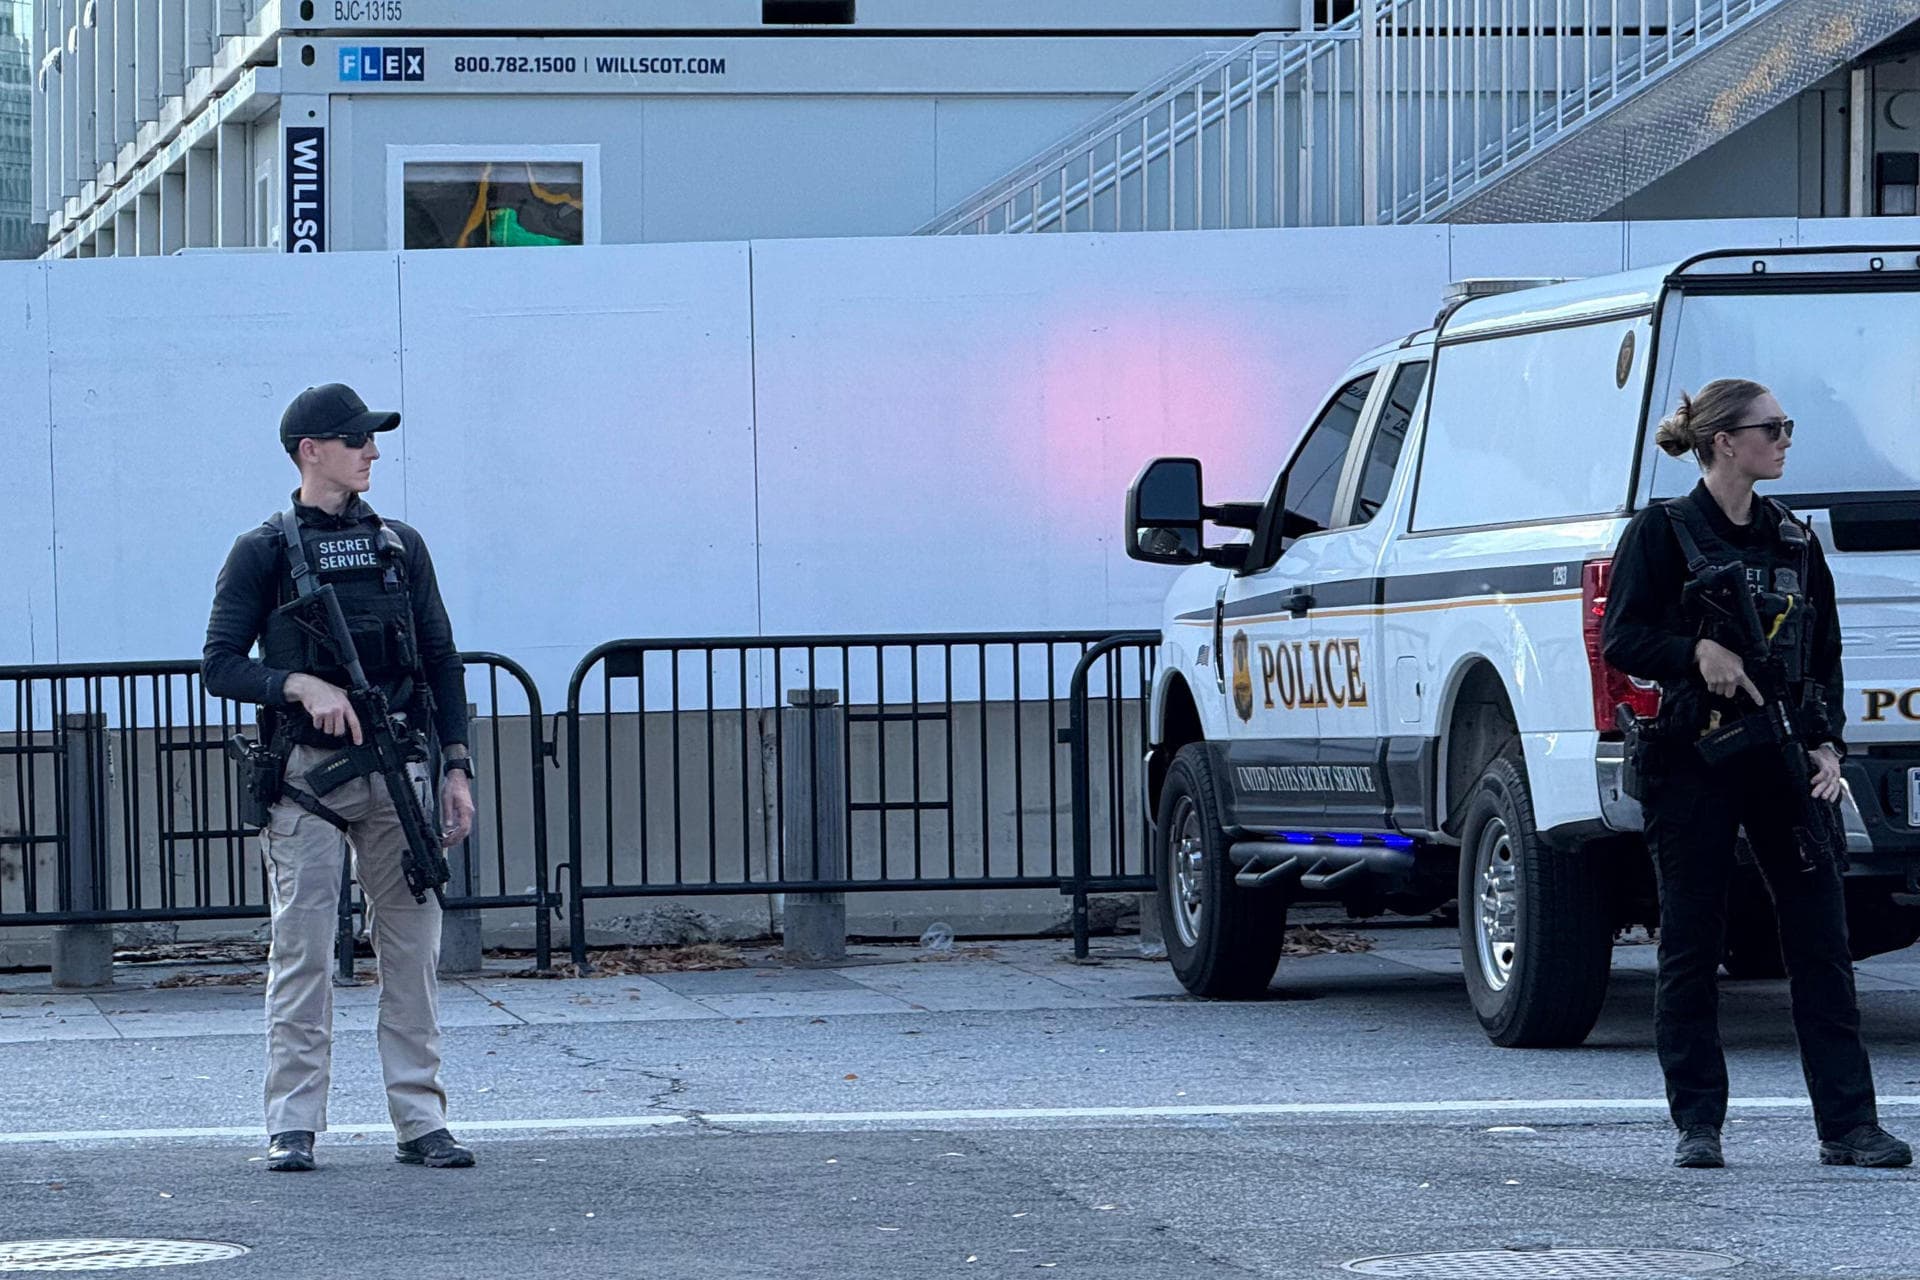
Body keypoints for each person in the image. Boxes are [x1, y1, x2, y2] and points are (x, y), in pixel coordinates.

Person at [1602, 378, 1910, 1171]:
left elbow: (1825, 656)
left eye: (1785, 426)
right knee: (1692, 943)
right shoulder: (1663, 533)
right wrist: (1694, 654)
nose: (1783, 440)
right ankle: (1697, 1124)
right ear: (1722, 442)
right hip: (1693, 761)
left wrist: (1828, 745)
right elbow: (1624, 638)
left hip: (1784, 760)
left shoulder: (1793, 540)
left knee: (1821, 942)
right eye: (1770, 428)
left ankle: (1849, 1127)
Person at [203, 383, 478, 1173]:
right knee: (302, 952)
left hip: (400, 772)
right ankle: (292, 1124)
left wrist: (456, 766)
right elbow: (218, 664)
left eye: (372, 440)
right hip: (305, 780)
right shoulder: (262, 549)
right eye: (357, 440)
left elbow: (440, 661)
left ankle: (421, 1119)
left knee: (413, 954)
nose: (373, 452)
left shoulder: (400, 546)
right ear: (309, 451)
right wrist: (298, 685)